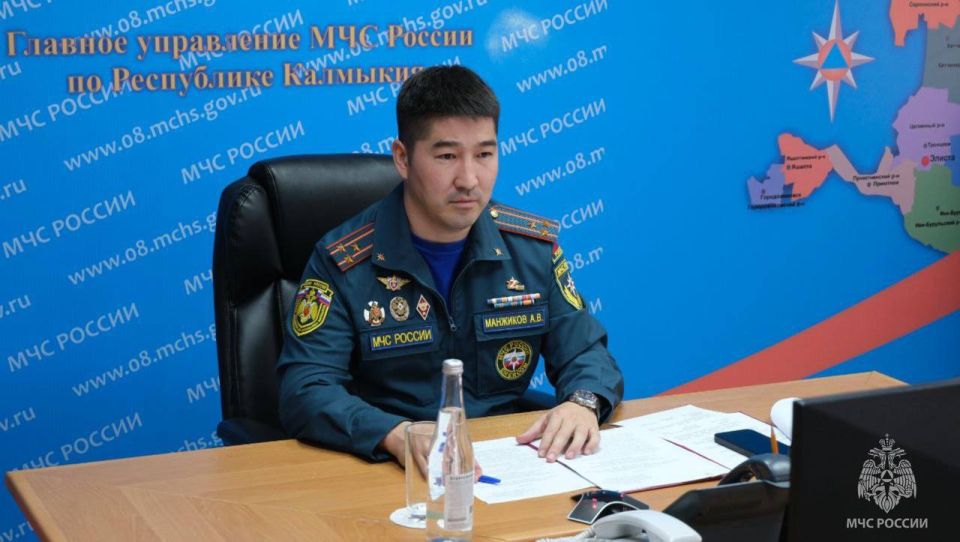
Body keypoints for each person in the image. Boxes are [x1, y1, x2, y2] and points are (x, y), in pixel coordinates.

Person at [277, 65, 623, 466]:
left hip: (508, 462)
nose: (469, 179)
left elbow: (585, 352)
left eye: (484, 154)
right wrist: (393, 433)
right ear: (403, 158)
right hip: (392, 468)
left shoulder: (532, 250)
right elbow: (306, 388)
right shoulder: (343, 260)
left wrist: (582, 403)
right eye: (447, 156)